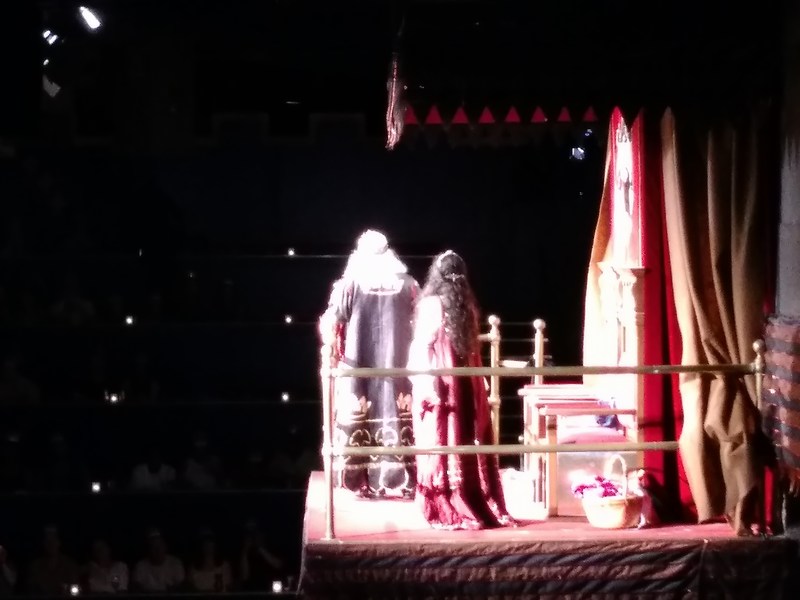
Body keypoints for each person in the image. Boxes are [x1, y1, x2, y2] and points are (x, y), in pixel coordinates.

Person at [408, 250, 516, 530]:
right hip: (466, 382)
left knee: (442, 436)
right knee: (464, 435)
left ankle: (447, 500)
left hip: (444, 382)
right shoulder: (466, 304)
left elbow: (423, 345)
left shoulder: (432, 304)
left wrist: (424, 383)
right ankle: (471, 496)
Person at [319, 230, 418, 499]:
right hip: (398, 363)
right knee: (398, 412)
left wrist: (330, 342)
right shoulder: (408, 284)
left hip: (359, 364)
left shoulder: (350, 285)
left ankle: (362, 481)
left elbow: (332, 320)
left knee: (361, 415)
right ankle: (404, 480)